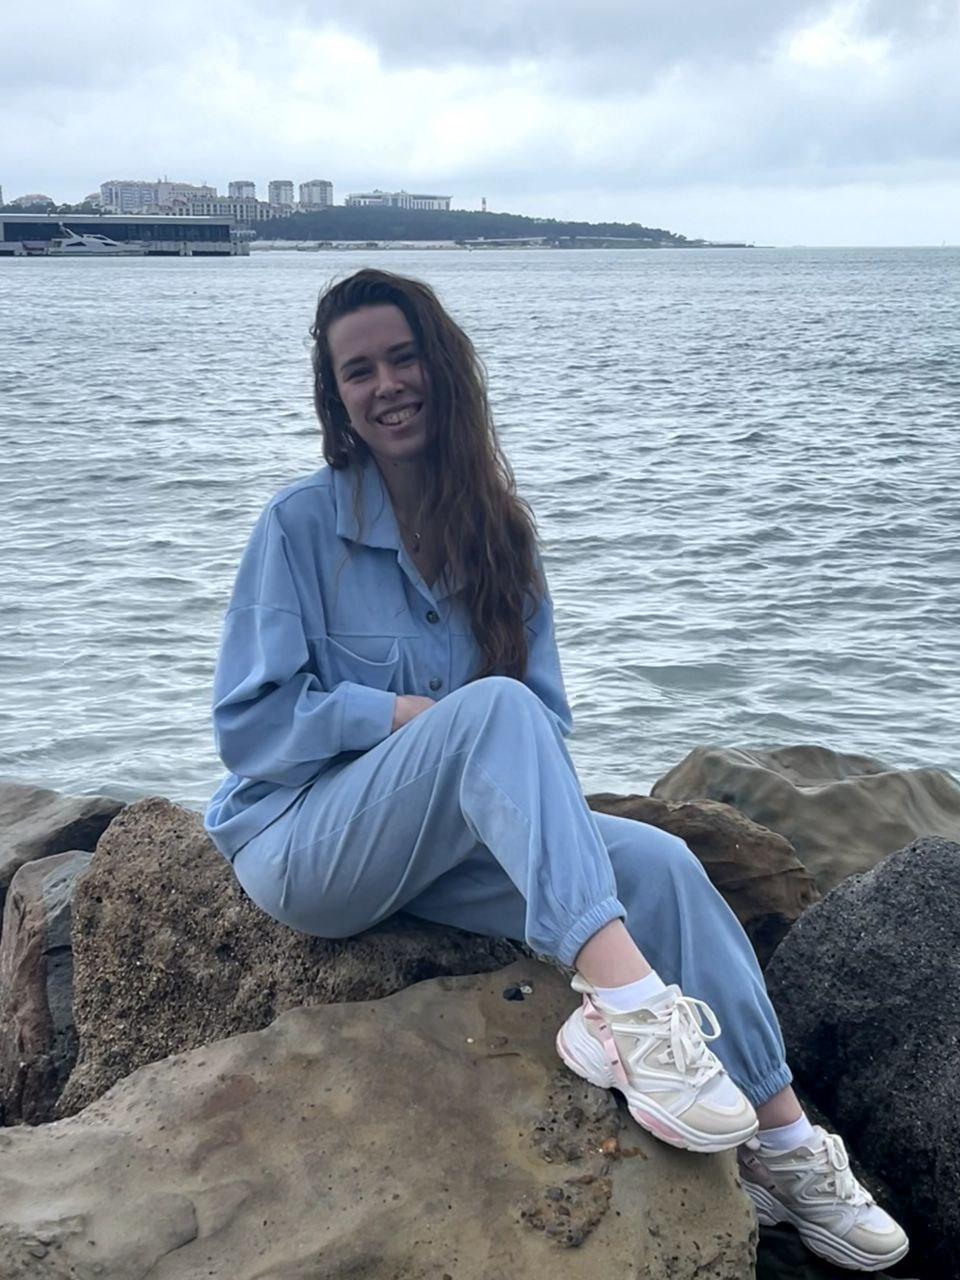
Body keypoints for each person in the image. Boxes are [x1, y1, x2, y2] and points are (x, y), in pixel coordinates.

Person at [205, 268, 907, 1272]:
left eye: (403, 358)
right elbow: (249, 725)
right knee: (493, 708)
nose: (386, 384)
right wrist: (403, 716)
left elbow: (544, 723)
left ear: (443, 368)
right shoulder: (299, 526)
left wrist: (487, 763)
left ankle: (784, 1142)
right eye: (358, 371)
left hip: (435, 843)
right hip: (302, 840)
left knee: (662, 863)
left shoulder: (500, 535)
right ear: (338, 399)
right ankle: (627, 1014)